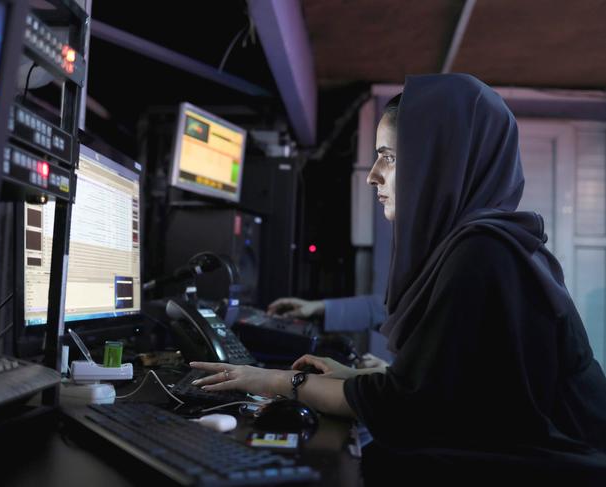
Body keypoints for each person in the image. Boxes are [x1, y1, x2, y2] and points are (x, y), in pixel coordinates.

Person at [191, 73, 606, 483]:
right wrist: (349, 377)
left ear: (440, 160)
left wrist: (279, 381)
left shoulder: (483, 252)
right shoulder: (485, 244)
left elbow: (409, 409)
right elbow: (452, 393)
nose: (373, 175)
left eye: (388, 157)